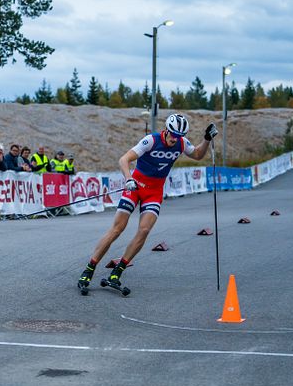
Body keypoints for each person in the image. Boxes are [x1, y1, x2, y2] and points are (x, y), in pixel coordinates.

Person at [77, 114, 218, 292]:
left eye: (179, 136)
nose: (175, 138)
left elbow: (197, 154)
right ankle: (89, 268)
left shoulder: (181, 143)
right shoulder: (151, 140)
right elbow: (124, 159)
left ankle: (117, 272)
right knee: (117, 229)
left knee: (144, 230)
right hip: (136, 186)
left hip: (154, 191)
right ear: (166, 130)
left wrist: (206, 139)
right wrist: (128, 178)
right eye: (173, 134)